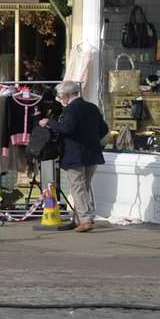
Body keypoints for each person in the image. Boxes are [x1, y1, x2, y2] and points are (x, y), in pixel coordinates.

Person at [45, 80, 107, 233]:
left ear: (66, 96)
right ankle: (79, 219)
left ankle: (85, 219)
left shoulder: (70, 110)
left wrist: (50, 122)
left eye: (60, 97)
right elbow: (104, 129)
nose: (60, 100)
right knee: (83, 186)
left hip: (75, 154)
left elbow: (67, 128)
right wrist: (91, 139)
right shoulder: (92, 107)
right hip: (92, 152)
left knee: (78, 187)